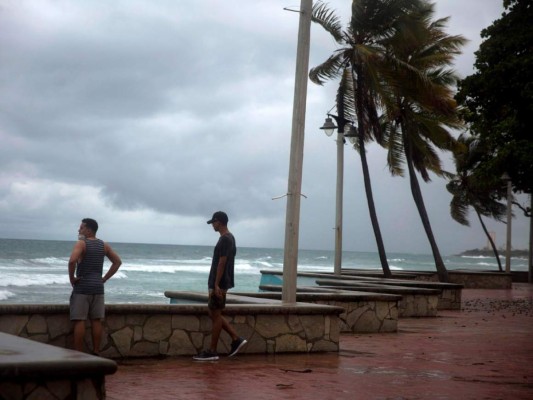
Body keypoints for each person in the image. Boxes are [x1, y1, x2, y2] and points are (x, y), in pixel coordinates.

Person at [193, 211, 247, 361]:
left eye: (214, 222)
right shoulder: (231, 238)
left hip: (219, 283)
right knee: (214, 313)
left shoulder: (225, 240)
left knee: (215, 315)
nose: (212, 225)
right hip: (222, 282)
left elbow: (222, 262)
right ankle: (236, 339)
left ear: (220, 222)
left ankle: (212, 351)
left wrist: (216, 284)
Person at [68, 218, 122, 355]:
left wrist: (72, 279)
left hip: (82, 288)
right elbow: (117, 262)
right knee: (96, 320)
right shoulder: (104, 245)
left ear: (89, 230)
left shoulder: (82, 243)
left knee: (80, 320)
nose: (78, 230)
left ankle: (78, 353)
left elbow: (72, 261)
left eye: (81, 228)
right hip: (98, 287)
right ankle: (96, 351)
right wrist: (104, 278)